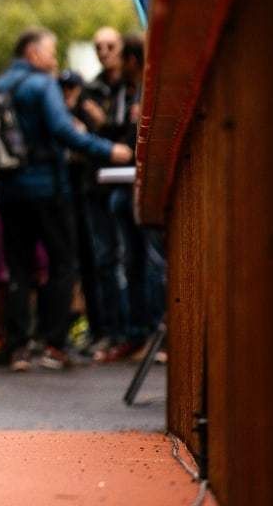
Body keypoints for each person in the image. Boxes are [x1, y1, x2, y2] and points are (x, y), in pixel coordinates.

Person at [0, 27, 133, 371]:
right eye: (51, 51)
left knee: (18, 267)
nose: (54, 59)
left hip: (8, 189)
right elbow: (63, 129)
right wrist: (108, 150)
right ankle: (54, 343)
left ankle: (17, 345)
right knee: (62, 262)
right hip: (47, 188)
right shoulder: (42, 85)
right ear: (33, 53)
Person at [108, 32, 166, 356]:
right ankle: (139, 331)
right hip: (121, 185)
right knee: (132, 261)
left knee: (150, 260)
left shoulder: (148, 89)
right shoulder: (122, 91)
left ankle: (155, 330)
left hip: (139, 183)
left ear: (132, 60)